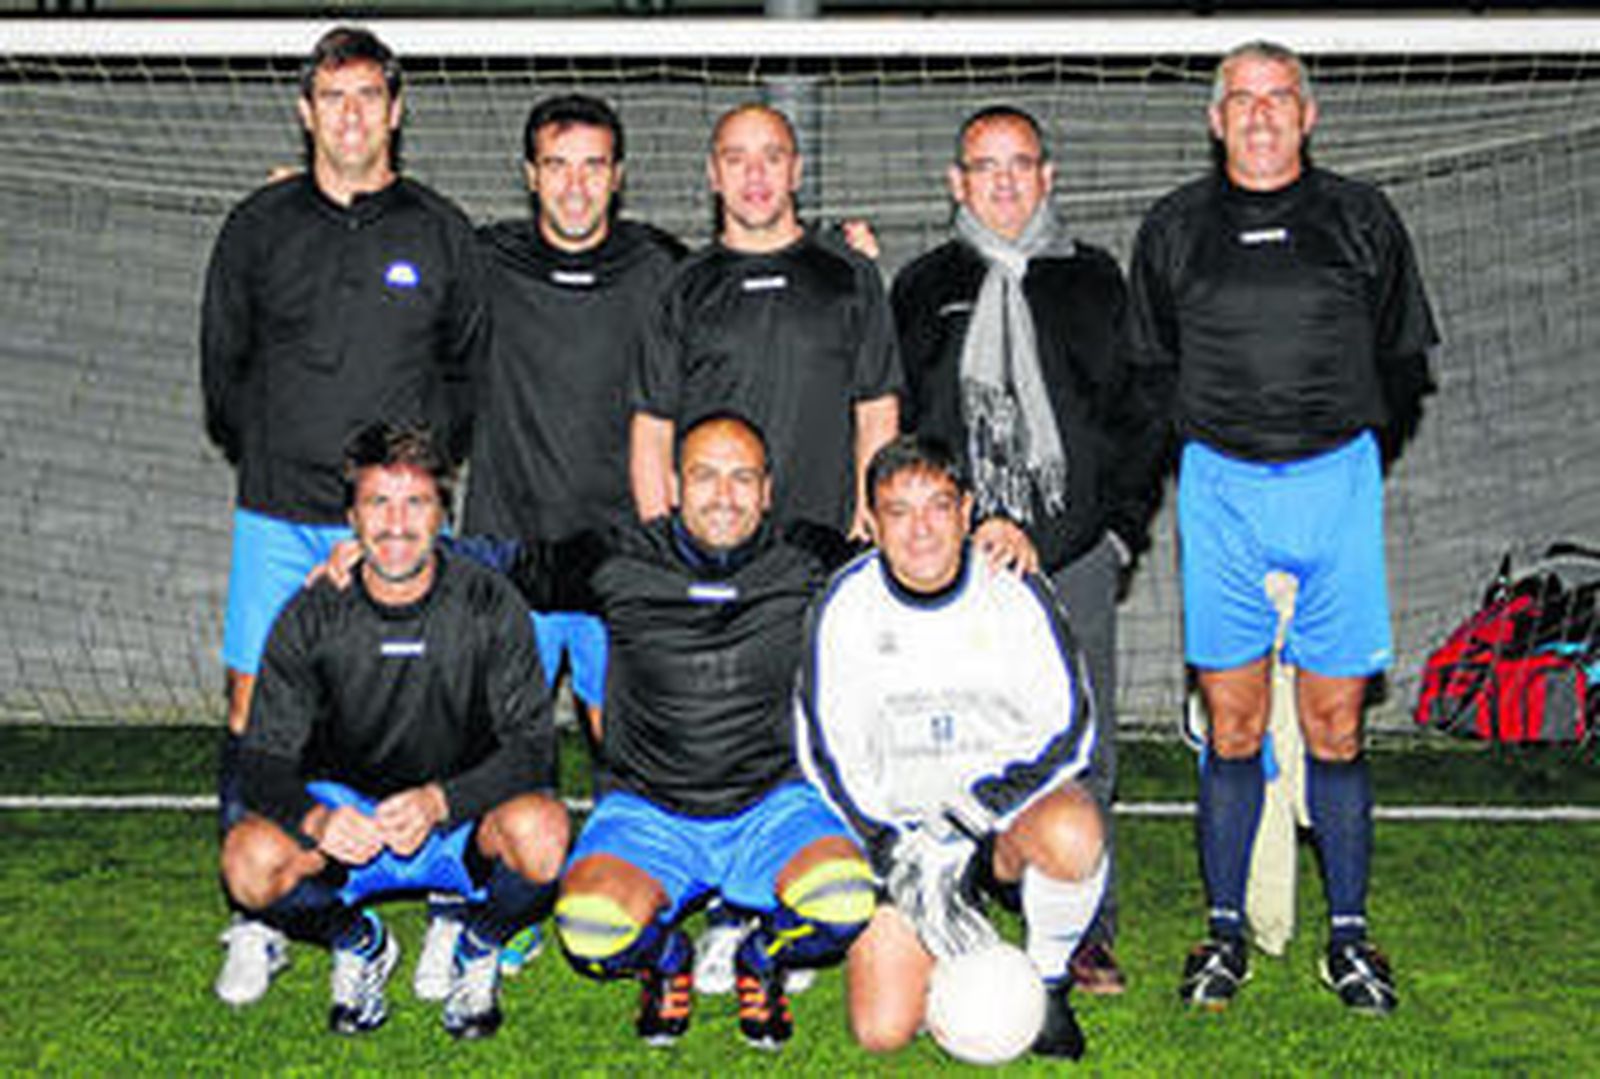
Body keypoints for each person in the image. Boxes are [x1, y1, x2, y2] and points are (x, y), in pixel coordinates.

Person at [1127, 40, 1438, 1015]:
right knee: (1234, 720)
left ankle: (1348, 936)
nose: (1259, 115)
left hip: (1335, 483)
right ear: (1214, 119)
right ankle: (1223, 931)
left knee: (1335, 724)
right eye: (1240, 100)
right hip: (1219, 490)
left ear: (1307, 115)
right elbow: (1148, 366)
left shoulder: (1361, 219)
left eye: (1277, 98)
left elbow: (1403, 359)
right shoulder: (1174, 228)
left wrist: (1334, 441)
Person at [200, 25, 489, 1006]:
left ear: (397, 109)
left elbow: (464, 370)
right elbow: (224, 371)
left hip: (401, 519)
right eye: (334, 97)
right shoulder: (257, 226)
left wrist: (396, 489)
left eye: (370, 95)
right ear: (306, 109)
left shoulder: (441, 231)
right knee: (253, 710)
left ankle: (451, 910)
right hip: (279, 514)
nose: (353, 114)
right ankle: (261, 916)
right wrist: (290, 465)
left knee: (431, 701)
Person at [889, 104, 1167, 994]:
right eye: (984, 165)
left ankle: (1086, 928)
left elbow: (1138, 419)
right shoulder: (924, 283)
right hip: (950, 559)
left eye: (1020, 164)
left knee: (1081, 743)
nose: (1003, 181)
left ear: (1048, 176)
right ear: (955, 183)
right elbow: (898, 423)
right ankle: (941, 908)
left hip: (1071, 552)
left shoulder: (1094, 281)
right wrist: (951, 538)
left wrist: (1109, 530)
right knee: (944, 733)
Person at [441, 92, 683, 993]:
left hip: (622, 558)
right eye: (558, 164)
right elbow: (396, 266)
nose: (576, 185)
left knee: (632, 747)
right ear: (529, 173)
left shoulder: (660, 266)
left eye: (593, 165)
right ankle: (486, 913)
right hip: (508, 553)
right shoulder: (484, 259)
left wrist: (838, 257)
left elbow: (740, 313)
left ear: (618, 176)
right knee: (491, 750)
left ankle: (640, 904)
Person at [219, 421, 567, 1040]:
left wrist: (443, 800)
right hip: (348, 825)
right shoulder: (311, 614)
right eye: (378, 503)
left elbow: (534, 747)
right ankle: (359, 945)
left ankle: (477, 945)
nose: (397, 524)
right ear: (351, 517)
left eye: (416, 503)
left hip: (456, 822)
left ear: (442, 515)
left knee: (543, 833)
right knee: (247, 862)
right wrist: (318, 821)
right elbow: (262, 761)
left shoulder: (488, 603)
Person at [542, 413, 875, 1051]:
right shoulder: (618, 557)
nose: (724, 494)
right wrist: (386, 548)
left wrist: (990, 544)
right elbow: (498, 564)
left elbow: (912, 561)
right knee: (588, 930)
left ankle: (761, 957)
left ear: (768, 490)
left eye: (742, 477)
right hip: (649, 814)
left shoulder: (805, 554)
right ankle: (668, 959)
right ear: (672, 485)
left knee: (843, 901)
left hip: (773, 806)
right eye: (705, 476)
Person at [798, 436, 1108, 1060]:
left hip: (998, 820)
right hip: (906, 838)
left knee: (1074, 832)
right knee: (883, 1030)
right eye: (898, 511)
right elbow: (825, 754)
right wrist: (895, 845)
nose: (921, 530)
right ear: (872, 522)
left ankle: (1046, 982)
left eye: (938, 506)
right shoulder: (844, 605)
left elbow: (1071, 725)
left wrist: (968, 819)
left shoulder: (1012, 587)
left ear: (967, 510)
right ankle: (952, 939)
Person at [628, 103, 901, 541]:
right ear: (713, 175)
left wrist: (866, 524)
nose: (755, 176)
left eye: (772, 158)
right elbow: (653, 428)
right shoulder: (679, 286)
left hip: (825, 542)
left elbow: (876, 411)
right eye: (736, 160)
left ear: (796, 171)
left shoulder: (852, 276)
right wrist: (662, 539)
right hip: (716, 549)